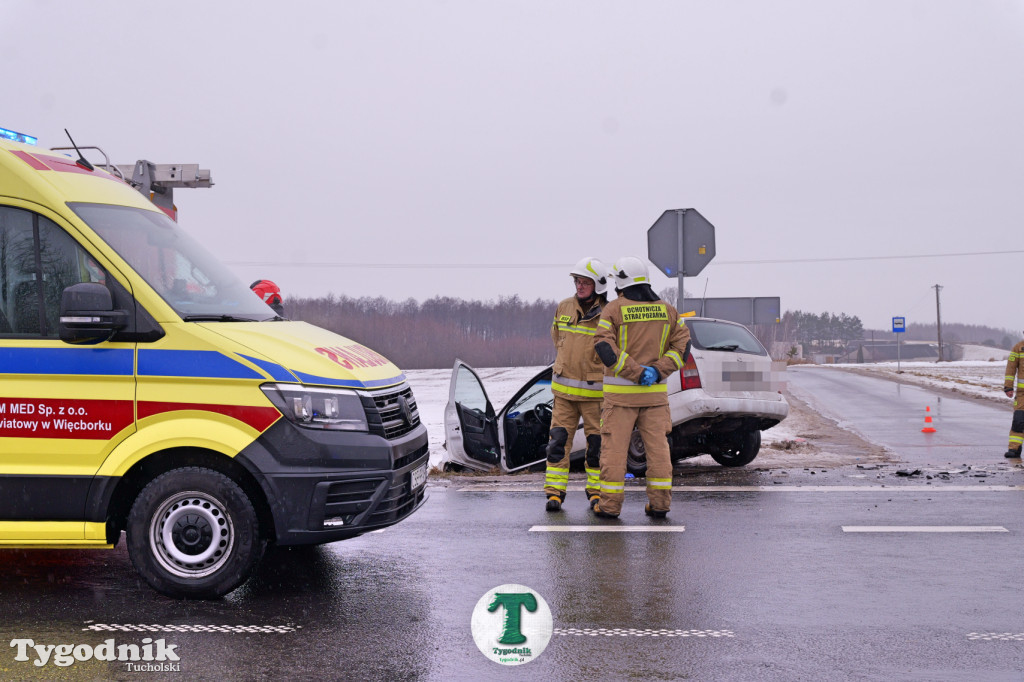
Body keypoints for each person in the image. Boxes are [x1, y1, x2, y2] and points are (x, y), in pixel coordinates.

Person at [591, 256, 690, 519]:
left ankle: (609, 506)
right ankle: (660, 504)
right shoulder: (668, 311)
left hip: (620, 399)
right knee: (658, 451)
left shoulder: (612, 310)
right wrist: (656, 371)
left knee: (613, 452)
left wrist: (635, 372)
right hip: (655, 397)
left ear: (621, 281)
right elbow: (683, 347)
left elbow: (604, 347)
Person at [543, 257, 610, 512]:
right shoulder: (564, 307)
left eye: (585, 282)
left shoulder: (608, 313)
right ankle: (554, 493)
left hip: (595, 396)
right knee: (557, 443)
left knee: (597, 447)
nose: (579, 286)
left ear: (598, 286)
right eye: (577, 281)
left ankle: (596, 493)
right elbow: (557, 338)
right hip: (564, 395)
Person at [1003, 333, 1024, 458]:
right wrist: (1008, 387)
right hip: (1022, 395)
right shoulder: (1018, 348)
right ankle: (1014, 449)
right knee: (1018, 421)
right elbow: (1010, 368)